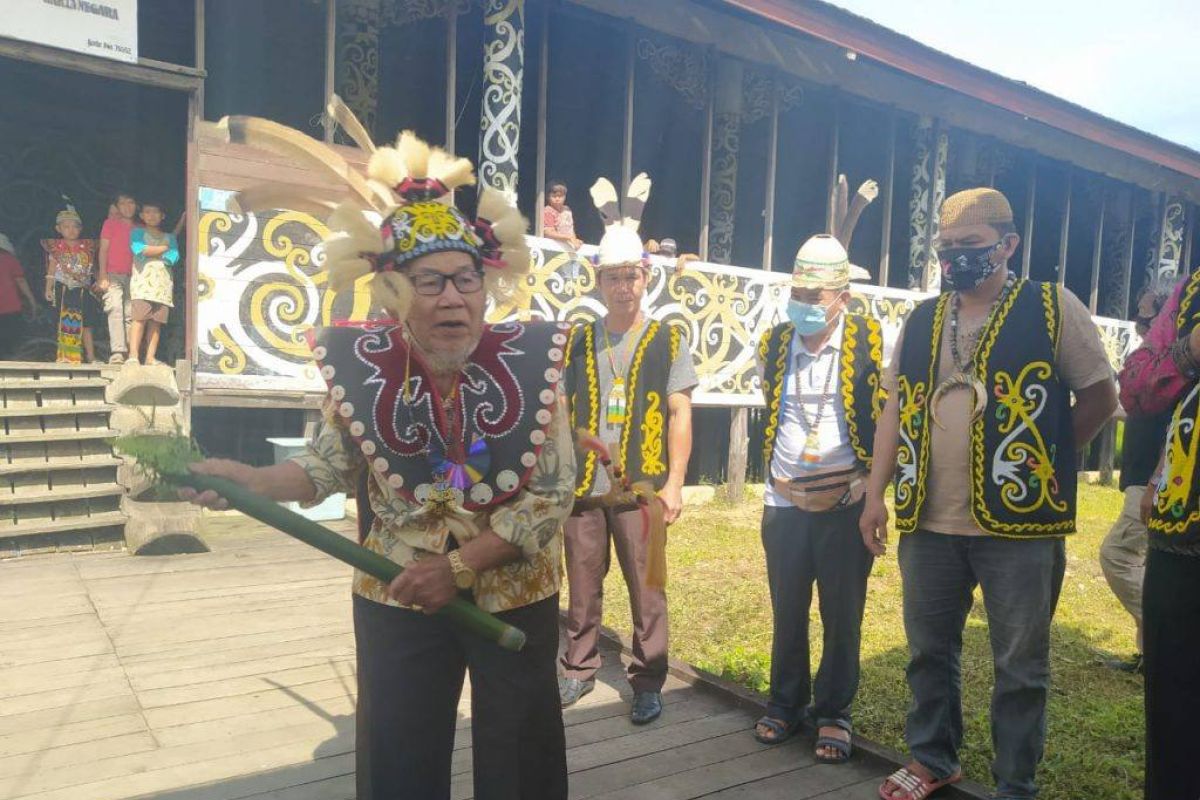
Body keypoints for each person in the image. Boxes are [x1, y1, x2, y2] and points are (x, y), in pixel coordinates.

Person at [182, 116, 574, 800]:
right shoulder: (360, 366)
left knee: (521, 758)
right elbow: (327, 467)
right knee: (398, 753)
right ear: (394, 292)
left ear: (488, 284)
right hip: (397, 589)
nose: (453, 297)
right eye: (430, 282)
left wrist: (457, 567)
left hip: (514, 589)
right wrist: (256, 481)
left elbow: (550, 498)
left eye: (466, 279)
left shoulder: (534, 361)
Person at [860, 188, 1117, 800]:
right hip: (927, 517)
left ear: (1008, 245)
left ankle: (1015, 785)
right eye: (946, 248)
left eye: (970, 247)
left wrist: (1050, 462)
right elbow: (895, 408)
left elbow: (1102, 394)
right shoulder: (924, 317)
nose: (956, 260)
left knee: (1020, 666)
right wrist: (875, 494)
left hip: (1020, 526)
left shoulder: (1052, 307)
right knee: (927, 651)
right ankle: (932, 758)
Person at [558, 172, 697, 725]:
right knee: (582, 584)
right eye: (613, 277)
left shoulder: (667, 338)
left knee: (647, 586)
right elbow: (556, 408)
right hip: (584, 487)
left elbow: (680, 411)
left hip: (642, 485)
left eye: (631, 276)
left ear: (647, 276)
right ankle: (578, 666)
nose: (623, 287)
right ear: (599, 280)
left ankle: (648, 677)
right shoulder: (578, 337)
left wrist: (676, 482)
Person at [751, 234, 882, 764]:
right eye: (798, 291)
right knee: (787, 608)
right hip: (782, 502)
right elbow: (772, 405)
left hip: (845, 501)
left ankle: (834, 711)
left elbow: (887, 419)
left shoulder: (872, 342)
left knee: (842, 612)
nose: (804, 304)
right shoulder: (776, 343)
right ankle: (785, 703)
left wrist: (873, 489)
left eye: (816, 294)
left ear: (843, 296)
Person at [1125, 264, 1200, 799]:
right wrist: (1191, 349)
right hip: (1181, 535)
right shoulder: (1193, 290)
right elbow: (1137, 386)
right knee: (1172, 711)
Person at [1099, 281, 1174, 673]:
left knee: (1118, 555)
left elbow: (1176, 427)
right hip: (1142, 478)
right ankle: (1149, 655)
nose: (1137, 322)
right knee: (1142, 562)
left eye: (1146, 314)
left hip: (1151, 480)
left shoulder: (1177, 367)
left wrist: (1155, 482)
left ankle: (1170, 634)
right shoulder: (1158, 363)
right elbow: (1144, 415)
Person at [41, 203, 101, 364]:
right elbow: (52, 270)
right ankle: (65, 356)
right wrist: (49, 288)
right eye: (66, 226)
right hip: (63, 288)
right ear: (58, 229)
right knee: (65, 322)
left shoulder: (88, 247)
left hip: (83, 289)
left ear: (80, 229)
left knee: (87, 324)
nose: (71, 230)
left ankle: (91, 356)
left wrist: (101, 280)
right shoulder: (56, 248)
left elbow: (94, 267)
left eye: (75, 226)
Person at [128, 201, 179, 366]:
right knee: (139, 319)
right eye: (147, 212)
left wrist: (155, 252)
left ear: (162, 216)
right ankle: (133, 356)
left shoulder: (170, 237)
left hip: (162, 287)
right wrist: (164, 248)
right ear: (142, 216)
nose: (151, 215)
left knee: (156, 323)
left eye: (155, 212)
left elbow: (173, 258)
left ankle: (150, 358)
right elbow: (140, 250)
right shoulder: (137, 233)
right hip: (142, 285)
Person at [97, 191, 137, 364]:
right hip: (113, 275)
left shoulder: (141, 228)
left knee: (130, 313)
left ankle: (130, 352)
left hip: (135, 276)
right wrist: (103, 275)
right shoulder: (110, 224)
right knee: (114, 308)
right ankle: (118, 351)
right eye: (122, 203)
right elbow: (103, 250)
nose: (126, 207)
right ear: (117, 207)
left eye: (131, 202)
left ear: (137, 206)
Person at [0, 233, 37, 360]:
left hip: (9, 306)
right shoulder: (10, 260)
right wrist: (31, 300)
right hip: (11, 306)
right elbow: (21, 281)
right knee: (12, 339)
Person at [542, 180, 582, 249]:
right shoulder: (548, 211)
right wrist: (568, 238)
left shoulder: (567, 210)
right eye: (554, 196)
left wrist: (574, 240)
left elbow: (570, 228)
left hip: (568, 246)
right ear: (548, 197)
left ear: (565, 197)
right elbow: (548, 233)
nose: (557, 199)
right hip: (554, 246)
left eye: (560, 196)